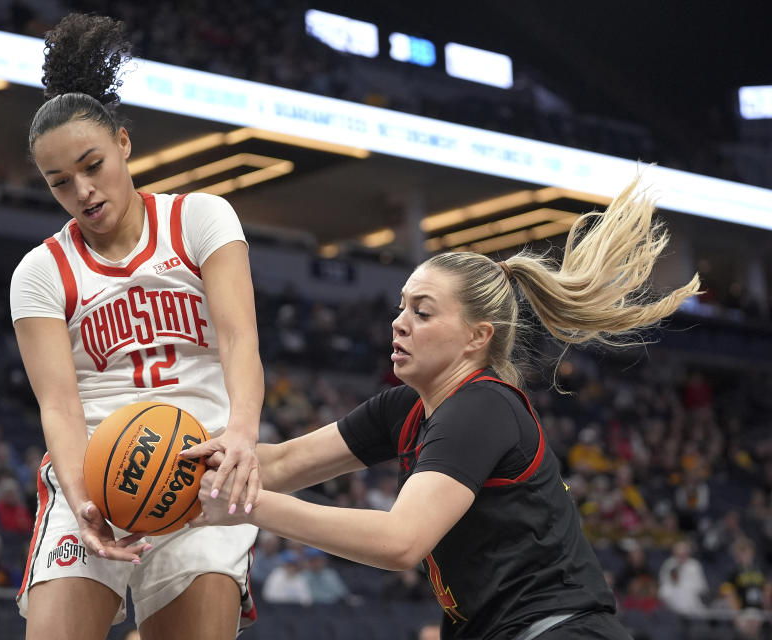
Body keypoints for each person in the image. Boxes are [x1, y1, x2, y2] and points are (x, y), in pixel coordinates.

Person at [188, 177, 701, 639]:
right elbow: (279, 465)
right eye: (401, 306)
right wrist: (188, 470)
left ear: (478, 337)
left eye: (422, 311)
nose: (399, 322)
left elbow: (400, 542)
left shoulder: (482, 406)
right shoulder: (405, 408)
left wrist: (244, 506)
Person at [9, 13, 262, 640]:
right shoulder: (40, 271)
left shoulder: (201, 219)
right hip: (92, 471)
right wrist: (83, 501)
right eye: (60, 183)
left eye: (93, 164)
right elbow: (61, 408)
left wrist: (242, 434)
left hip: (199, 467)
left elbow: (238, 340)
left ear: (124, 143)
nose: (84, 191)